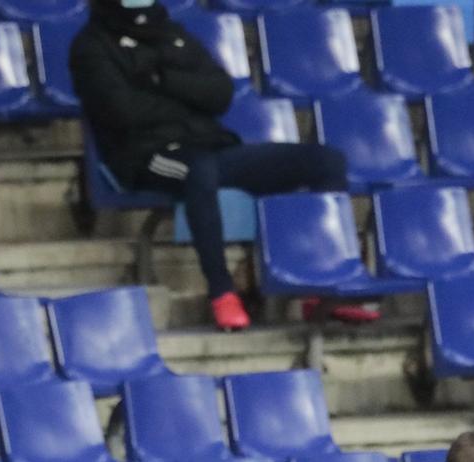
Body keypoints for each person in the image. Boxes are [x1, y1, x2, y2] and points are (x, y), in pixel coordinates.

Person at [67, 0, 374, 332]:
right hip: (146, 156)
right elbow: (123, 111)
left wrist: (160, 80)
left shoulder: (172, 34)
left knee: (325, 161)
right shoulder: (91, 47)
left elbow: (220, 94)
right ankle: (222, 292)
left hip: (211, 146)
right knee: (200, 171)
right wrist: (188, 104)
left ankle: (318, 285)